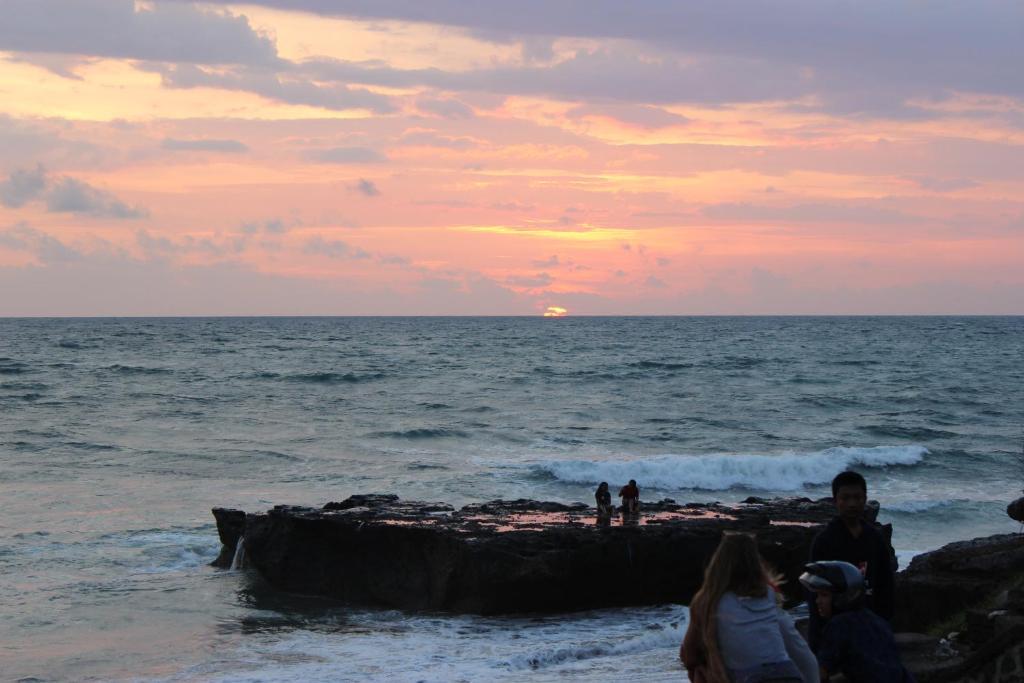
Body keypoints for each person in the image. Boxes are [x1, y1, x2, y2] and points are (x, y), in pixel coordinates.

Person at [680, 533, 818, 683]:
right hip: (786, 674)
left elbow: (689, 655)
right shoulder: (768, 594)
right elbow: (798, 648)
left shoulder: (708, 600)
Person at [806, 470, 895, 652]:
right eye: (845, 498)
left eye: (857, 497)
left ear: (865, 499)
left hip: (870, 624)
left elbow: (886, 583)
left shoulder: (874, 538)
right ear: (835, 501)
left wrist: (884, 623)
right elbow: (814, 592)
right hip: (834, 627)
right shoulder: (825, 541)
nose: (852, 504)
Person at [800, 561, 913, 683]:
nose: (818, 601)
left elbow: (820, 674)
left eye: (824, 595)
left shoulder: (839, 624)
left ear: (844, 597)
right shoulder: (875, 620)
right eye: (817, 595)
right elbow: (868, 669)